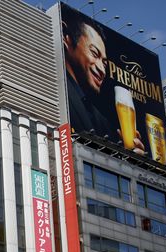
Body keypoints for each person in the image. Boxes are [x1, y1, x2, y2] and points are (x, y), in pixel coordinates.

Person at [62, 10, 145, 154]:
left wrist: (130, 158)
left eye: (105, 63)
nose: (101, 69)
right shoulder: (58, 92)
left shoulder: (102, 121)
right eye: (94, 53)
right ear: (66, 38)